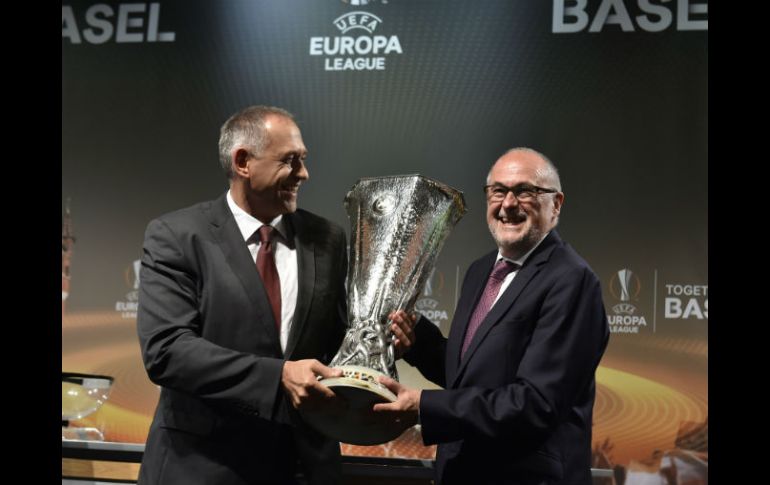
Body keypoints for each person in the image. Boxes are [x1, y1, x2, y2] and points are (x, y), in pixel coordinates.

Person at [136, 105, 349, 485]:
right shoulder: (177, 236)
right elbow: (167, 351)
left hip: (302, 468)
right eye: (291, 161)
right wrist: (279, 375)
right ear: (243, 162)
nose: (304, 174)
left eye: (303, 160)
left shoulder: (327, 239)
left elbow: (337, 339)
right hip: (201, 467)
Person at [379, 148, 610, 485]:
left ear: (556, 204)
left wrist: (424, 405)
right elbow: (471, 375)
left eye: (525, 191)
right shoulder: (480, 271)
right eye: (498, 191)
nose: (508, 203)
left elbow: (536, 403)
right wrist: (418, 341)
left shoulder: (572, 280)